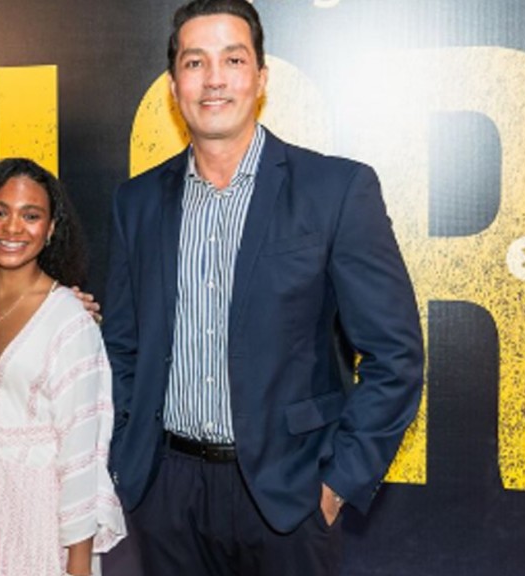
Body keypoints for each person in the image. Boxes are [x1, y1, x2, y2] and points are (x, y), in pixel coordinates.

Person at [101, 1, 425, 574]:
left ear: (261, 77)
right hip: (167, 496)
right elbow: (123, 346)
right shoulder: (137, 202)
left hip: (289, 498)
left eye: (233, 59)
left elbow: (395, 356)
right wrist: (131, 460)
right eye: (195, 62)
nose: (214, 79)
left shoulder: (335, 189)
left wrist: (336, 484)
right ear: (174, 86)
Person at [0, 158, 125, 576]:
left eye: (31, 216)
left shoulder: (70, 320)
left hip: (39, 518)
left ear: (51, 228)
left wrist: (78, 564)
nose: (12, 228)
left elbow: (83, 454)